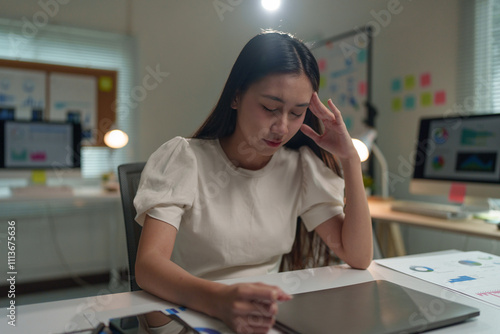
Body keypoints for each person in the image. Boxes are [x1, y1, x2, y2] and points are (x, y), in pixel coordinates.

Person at [133, 30, 372, 334]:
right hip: (189, 311)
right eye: (270, 108)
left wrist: (350, 159)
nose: (282, 127)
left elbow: (358, 256)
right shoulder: (185, 158)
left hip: (261, 317)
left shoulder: (299, 168)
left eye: (297, 113)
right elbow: (148, 266)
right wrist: (219, 300)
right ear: (236, 95)